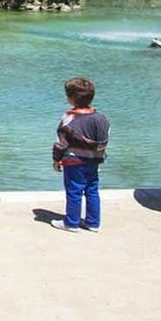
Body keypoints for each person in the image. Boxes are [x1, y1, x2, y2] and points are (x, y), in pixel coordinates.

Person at [51, 77, 110, 232]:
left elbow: (61, 143)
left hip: (74, 161)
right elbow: (104, 139)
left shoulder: (69, 118)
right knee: (92, 190)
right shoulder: (101, 118)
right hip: (94, 161)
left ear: (70, 98)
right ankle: (93, 222)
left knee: (74, 191)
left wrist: (56, 159)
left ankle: (71, 222)